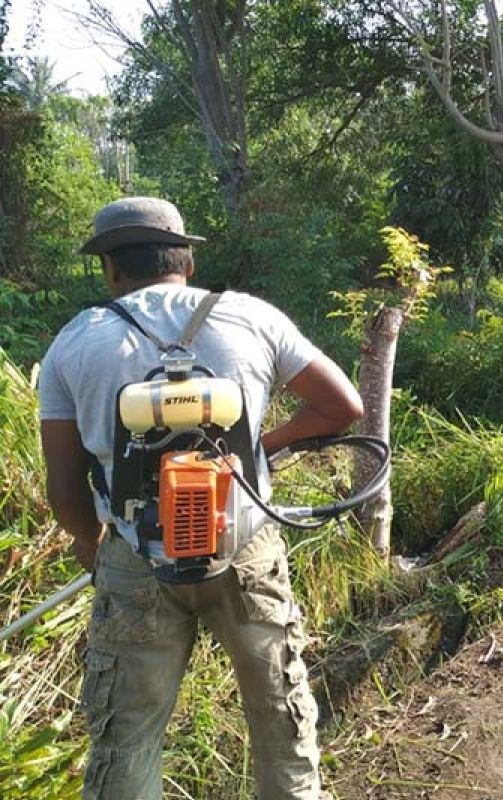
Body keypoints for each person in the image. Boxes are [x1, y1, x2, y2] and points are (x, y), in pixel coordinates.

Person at [38, 197, 364, 799]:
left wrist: (94, 546)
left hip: (136, 558)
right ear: (184, 260)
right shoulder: (250, 318)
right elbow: (344, 407)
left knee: (126, 740)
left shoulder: (74, 343)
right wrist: (264, 446)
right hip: (245, 546)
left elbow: (63, 487)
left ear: (110, 268)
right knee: (280, 722)